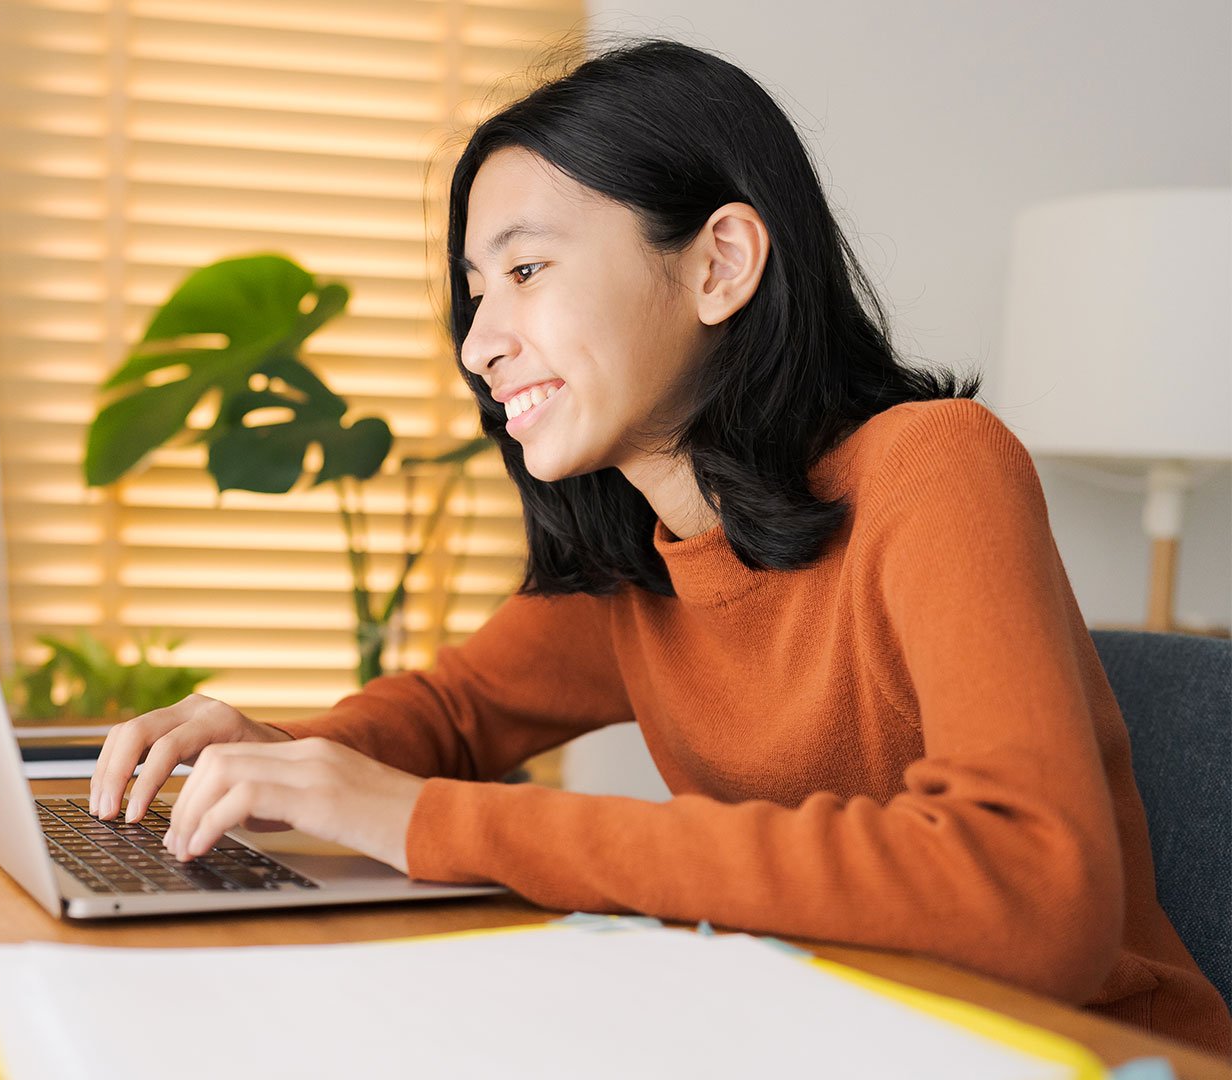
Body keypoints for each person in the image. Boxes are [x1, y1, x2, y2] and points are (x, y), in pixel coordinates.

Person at [85, 37, 1231, 1055]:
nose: (480, 344)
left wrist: (426, 820)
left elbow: (1032, 894)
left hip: (1076, 1053)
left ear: (719, 264)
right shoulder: (644, 557)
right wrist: (276, 757)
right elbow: (447, 715)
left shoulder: (936, 467)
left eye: (526, 271)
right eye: (473, 294)